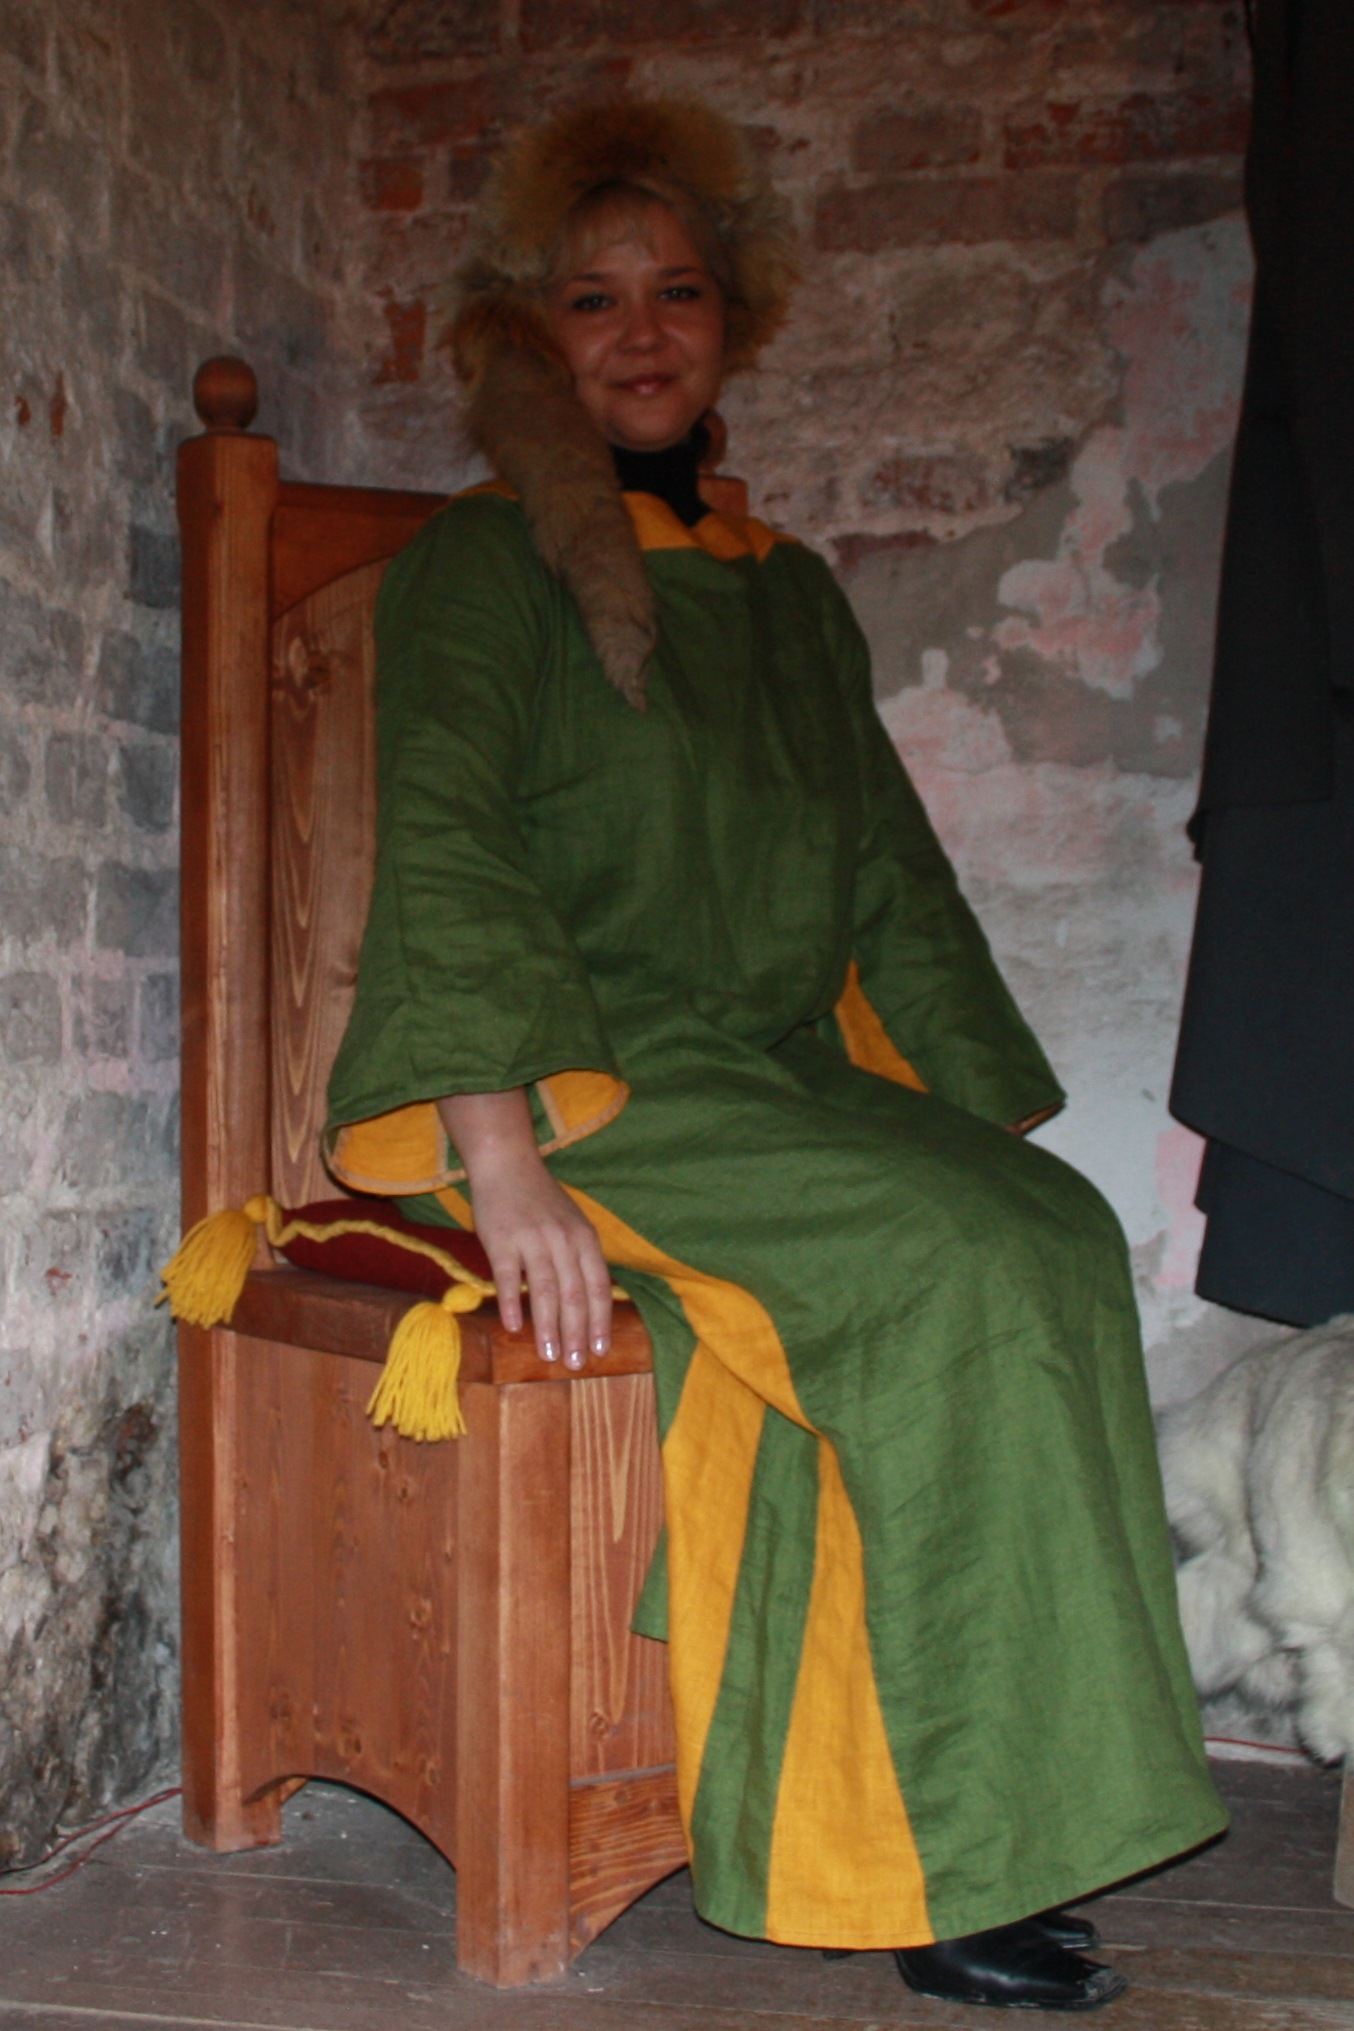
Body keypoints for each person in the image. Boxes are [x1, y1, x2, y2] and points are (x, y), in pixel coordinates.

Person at [324, 97, 1225, 2012]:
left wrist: (962, 1118)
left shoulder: (784, 586)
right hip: (593, 1084)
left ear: (732, 318)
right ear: (528, 333)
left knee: (1044, 1232)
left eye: (677, 290)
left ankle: (966, 1824)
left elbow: (880, 856)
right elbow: (450, 845)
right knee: (940, 1270)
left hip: (773, 1077)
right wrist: (504, 1161)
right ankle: (939, 1863)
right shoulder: (482, 567)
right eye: (592, 298)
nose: (642, 331)